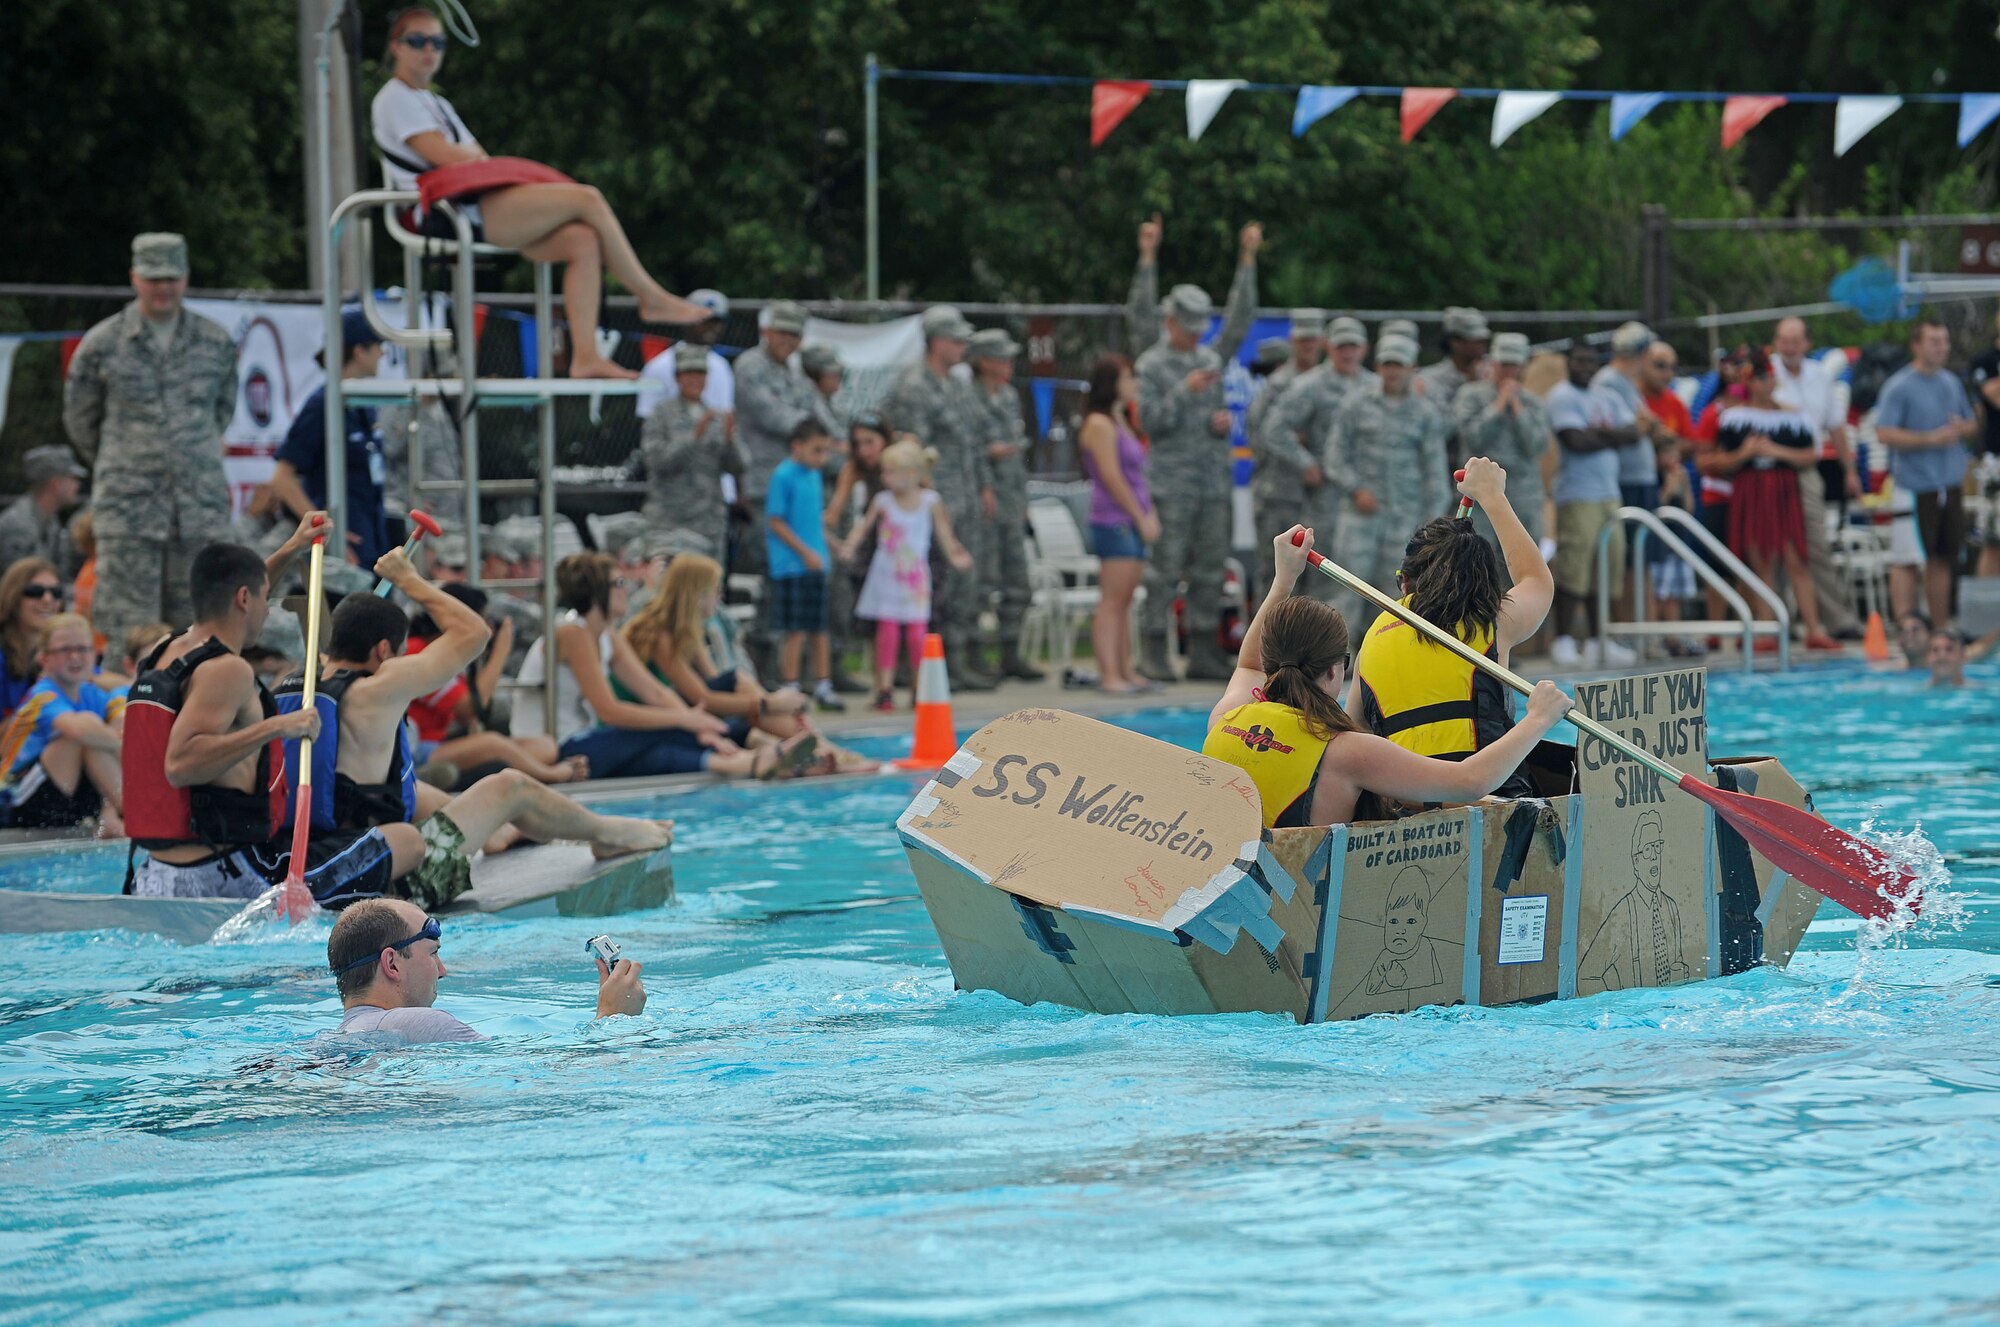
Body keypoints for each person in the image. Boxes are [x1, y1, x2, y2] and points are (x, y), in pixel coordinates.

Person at [278, 561, 677, 905]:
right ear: (384, 651)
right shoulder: (377, 689)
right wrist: (409, 578)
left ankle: (498, 833)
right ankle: (608, 833)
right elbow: (473, 632)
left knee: (412, 790)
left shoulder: (300, 689)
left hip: (320, 866)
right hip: (391, 888)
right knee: (511, 787)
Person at [370, 6, 710, 379]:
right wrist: (466, 156)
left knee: (583, 240)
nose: (429, 50)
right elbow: (450, 159)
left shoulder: (436, 103)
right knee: (588, 198)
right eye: (418, 41)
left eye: (437, 42)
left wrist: (467, 157)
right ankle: (651, 298)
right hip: (446, 216)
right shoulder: (394, 98)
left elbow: (476, 159)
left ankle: (586, 356)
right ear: (396, 47)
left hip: (471, 206)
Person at [1201, 525, 1571, 828]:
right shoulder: (1346, 751)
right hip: (1311, 906)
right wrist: (1539, 718)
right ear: (1334, 670)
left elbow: (1247, 667)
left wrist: (1283, 580)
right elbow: (1470, 782)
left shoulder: (1226, 718)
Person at [122, 519, 331, 899]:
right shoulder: (228, 670)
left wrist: (293, 547)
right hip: (220, 877)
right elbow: (181, 765)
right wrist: (278, 726)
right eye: (265, 600)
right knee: (393, 847)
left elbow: (238, 591)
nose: (267, 611)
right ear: (244, 600)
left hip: (154, 874)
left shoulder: (168, 649)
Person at [62, 233, 239, 649]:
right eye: (153, 277)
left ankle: (195, 713)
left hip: (198, 510)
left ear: (186, 278)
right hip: (130, 512)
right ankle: (126, 712)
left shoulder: (215, 342)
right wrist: (126, 461)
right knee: (128, 629)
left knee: (200, 627)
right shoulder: (102, 345)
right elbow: (80, 420)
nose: (163, 287)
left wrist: (188, 456)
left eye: (172, 278)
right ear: (134, 278)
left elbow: (222, 412)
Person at [513, 551, 814, 780]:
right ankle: (761, 750)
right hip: (560, 748)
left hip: (593, 743)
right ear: (596, 591)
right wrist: (687, 722)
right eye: (619, 582)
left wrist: (696, 725)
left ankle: (749, 761)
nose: (627, 588)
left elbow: (656, 693)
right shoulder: (571, 633)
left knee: (660, 750)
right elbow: (609, 710)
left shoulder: (607, 637)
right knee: (658, 733)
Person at [1348, 459, 1554, 792]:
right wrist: (1492, 496)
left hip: (1403, 807)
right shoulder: (1490, 622)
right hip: (1493, 797)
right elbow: (1536, 580)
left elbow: (1357, 731)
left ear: (1406, 582)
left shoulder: (1372, 639)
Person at [1132, 220, 1261, 683]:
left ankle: (1204, 649)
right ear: (1170, 322)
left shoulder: (1209, 358)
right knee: (1164, 570)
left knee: (1210, 569)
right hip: (1171, 484)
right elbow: (1150, 423)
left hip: (1212, 482)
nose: (1195, 335)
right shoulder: (1152, 364)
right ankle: (1153, 650)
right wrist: (1185, 393)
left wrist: (1247, 259)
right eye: (1187, 327)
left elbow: (1241, 319)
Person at [620, 554, 873, 774]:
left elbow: (718, 683)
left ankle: (814, 744)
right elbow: (703, 697)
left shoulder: (687, 627)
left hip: (678, 708)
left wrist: (773, 706)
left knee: (742, 687)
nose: (718, 597)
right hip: (651, 716)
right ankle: (820, 747)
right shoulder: (659, 633)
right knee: (744, 689)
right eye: (715, 589)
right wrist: (768, 703)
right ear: (696, 594)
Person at [328, 898, 644, 1045]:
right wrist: (613, 1019)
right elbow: (529, 1078)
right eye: (434, 954)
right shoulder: (419, 1025)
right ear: (392, 963)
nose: (442, 971)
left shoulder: (343, 1035)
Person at [882, 305, 998, 690]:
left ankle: (957, 657)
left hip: (963, 495)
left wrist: (983, 485)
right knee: (932, 586)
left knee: (964, 584)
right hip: (931, 506)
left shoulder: (959, 384)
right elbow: (910, 454)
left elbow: (973, 443)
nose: (963, 345)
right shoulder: (914, 386)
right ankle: (923, 666)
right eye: (956, 339)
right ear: (936, 342)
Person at [1707, 351, 1840, 651]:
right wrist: (1747, 454)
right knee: (1760, 560)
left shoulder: (1792, 417)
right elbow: (1716, 460)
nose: (1768, 383)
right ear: (1750, 383)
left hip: (1783, 490)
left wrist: (1777, 452)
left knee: (1796, 559)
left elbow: (1810, 454)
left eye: (1770, 377)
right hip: (1751, 489)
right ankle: (1766, 629)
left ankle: (1814, 629)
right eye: (1761, 378)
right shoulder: (1734, 418)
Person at [1323, 330, 1452, 634]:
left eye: (1398, 365)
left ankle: (1385, 660)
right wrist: (1356, 489)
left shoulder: (1425, 413)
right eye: (1386, 364)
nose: (1392, 372)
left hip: (1405, 519)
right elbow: (1334, 456)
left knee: (1397, 594)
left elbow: (1435, 473)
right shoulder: (1355, 404)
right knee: (1346, 589)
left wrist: (1433, 526)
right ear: (1378, 366)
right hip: (1359, 516)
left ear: (1411, 368)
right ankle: (1333, 661)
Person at [837, 440, 976, 711]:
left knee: (917, 635)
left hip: (914, 581)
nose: (884, 477)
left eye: (890, 471)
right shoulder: (883, 501)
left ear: (911, 474)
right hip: (886, 577)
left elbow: (945, 535)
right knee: (886, 633)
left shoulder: (930, 501)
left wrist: (956, 556)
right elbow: (862, 528)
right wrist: (850, 546)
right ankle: (884, 689)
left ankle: (918, 687)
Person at [403, 587, 585, 786]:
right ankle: (554, 775)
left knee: (545, 746)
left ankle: (511, 774)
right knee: (493, 744)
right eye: (482, 620)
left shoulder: (449, 654)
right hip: (417, 749)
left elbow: (467, 717)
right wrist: (501, 650)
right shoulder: (418, 651)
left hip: (440, 742)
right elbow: (471, 708)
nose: (488, 627)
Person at [1257, 315, 1379, 602]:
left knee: (1366, 582)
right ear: (1328, 347)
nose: (1347, 352)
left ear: (1364, 348)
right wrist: (1305, 462)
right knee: (1321, 578)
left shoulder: (1374, 386)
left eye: (1353, 346)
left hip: (1368, 500)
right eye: (1341, 346)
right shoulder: (1310, 386)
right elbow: (1273, 428)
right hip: (1325, 501)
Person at [1875, 318, 1977, 630]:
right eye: (1935, 341)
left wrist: (1963, 428)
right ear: (1917, 345)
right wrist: (1928, 438)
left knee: (1942, 558)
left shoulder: (1950, 382)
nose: (1942, 348)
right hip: (1913, 483)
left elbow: (1971, 423)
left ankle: (1939, 629)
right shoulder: (1899, 386)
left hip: (1948, 481)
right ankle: (1907, 629)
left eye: (1945, 341)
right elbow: (1883, 432)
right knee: (1906, 560)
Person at [270, 310, 392, 568]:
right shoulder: (322, 405)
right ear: (359, 351)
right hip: (344, 551)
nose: (382, 354)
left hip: (371, 538)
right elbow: (282, 478)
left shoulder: (361, 404)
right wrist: (322, 530)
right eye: (378, 346)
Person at [1545, 342, 1640, 667]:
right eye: (1578, 360)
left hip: (1609, 494)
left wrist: (1598, 433)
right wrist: (1610, 435)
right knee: (1575, 568)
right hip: (1578, 494)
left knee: (1608, 566)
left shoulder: (1607, 396)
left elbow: (1634, 433)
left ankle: (1600, 640)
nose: (1584, 366)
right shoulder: (1562, 396)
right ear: (1568, 364)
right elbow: (1575, 441)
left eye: (1589, 360)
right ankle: (1564, 640)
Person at [1771, 318, 1863, 637]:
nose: (1789, 347)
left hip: (1807, 466)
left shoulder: (1819, 375)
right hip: (1768, 469)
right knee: (1772, 548)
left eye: (1795, 341)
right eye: (1784, 340)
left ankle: (1836, 619)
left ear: (1807, 343)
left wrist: (1849, 470)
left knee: (1815, 544)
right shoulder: (1765, 374)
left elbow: (1836, 427)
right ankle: (1777, 621)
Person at [1078, 356, 1158, 694]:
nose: (1135, 383)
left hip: (1132, 519)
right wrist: (1140, 517)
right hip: (1114, 520)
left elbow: (1137, 476)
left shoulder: (1119, 419)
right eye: (1128, 377)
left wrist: (1149, 512)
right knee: (1112, 599)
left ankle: (1126, 670)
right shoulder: (1098, 423)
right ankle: (1109, 673)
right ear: (1111, 382)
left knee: (1125, 600)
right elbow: (1112, 477)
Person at [0, 614, 124, 834]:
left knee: (101, 731)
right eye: (64, 650)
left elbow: (125, 718)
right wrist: (122, 743)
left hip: (65, 795)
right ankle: (132, 812)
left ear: (95, 656)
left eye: (83, 649)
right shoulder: (42, 696)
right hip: (15, 801)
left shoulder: (93, 694)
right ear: (44, 659)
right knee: (82, 732)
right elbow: (77, 729)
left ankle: (115, 813)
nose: (75, 656)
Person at [967, 328, 1041, 681]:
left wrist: (1022, 501)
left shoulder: (1009, 397)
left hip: (1011, 502)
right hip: (983, 506)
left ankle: (1011, 652)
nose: (1009, 365)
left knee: (1018, 583)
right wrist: (987, 457)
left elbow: (1016, 454)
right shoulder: (969, 398)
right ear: (983, 362)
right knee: (982, 584)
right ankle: (978, 656)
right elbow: (965, 449)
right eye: (1002, 359)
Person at [631, 342, 743, 564]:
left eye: (700, 374)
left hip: (708, 521)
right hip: (669, 521)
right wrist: (692, 438)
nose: (695, 380)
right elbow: (655, 461)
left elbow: (739, 466)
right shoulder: (661, 415)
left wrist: (730, 442)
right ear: (677, 377)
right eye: (688, 374)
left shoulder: (718, 417)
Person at [765, 418, 845, 711]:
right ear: (797, 446)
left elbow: (813, 522)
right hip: (792, 566)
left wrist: (833, 545)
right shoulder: (784, 475)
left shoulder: (813, 475)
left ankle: (824, 685)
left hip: (815, 564)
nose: (821, 458)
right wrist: (804, 552)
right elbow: (776, 521)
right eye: (816, 451)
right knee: (795, 630)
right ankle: (791, 686)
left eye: (825, 451)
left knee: (819, 628)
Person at [1452, 332, 1552, 550]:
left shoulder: (1532, 403)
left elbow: (1537, 445)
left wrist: (1517, 409)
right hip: (1480, 499)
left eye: (1514, 365)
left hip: (1523, 498)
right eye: (1504, 364)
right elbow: (1473, 438)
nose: (1509, 371)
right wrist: (1498, 406)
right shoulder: (1470, 395)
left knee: (1522, 564)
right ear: (1493, 363)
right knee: (1478, 562)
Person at [636, 289, 736, 418]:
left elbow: (725, 416)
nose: (712, 328)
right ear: (686, 321)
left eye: (717, 322)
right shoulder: (659, 366)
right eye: (704, 321)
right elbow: (647, 419)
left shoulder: (721, 366)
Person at [0, 446, 85, 573]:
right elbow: (20, 583)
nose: (77, 485)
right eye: (72, 478)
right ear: (56, 483)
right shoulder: (18, 526)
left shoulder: (50, 520)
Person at [0, 559, 64, 723]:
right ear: (13, 596)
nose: (48, 599)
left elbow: (99, 676)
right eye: (35, 591)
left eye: (56, 592)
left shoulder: (61, 649)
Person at [1415, 306, 1491, 417]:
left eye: (1483, 340)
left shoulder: (1491, 375)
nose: (1482, 346)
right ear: (1455, 343)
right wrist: (1471, 386)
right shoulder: (1432, 380)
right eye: (1475, 340)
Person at [1970, 307, 2000, 577]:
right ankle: (1989, 614)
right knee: (1993, 540)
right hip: (1996, 460)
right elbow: (1994, 395)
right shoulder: (1986, 360)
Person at [1925, 624, 2000, 688]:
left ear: (1963, 657)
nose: (1942, 655)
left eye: (1949, 649)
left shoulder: (1981, 691)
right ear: (1927, 658)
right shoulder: (1917, 691)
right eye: (1935, 650)